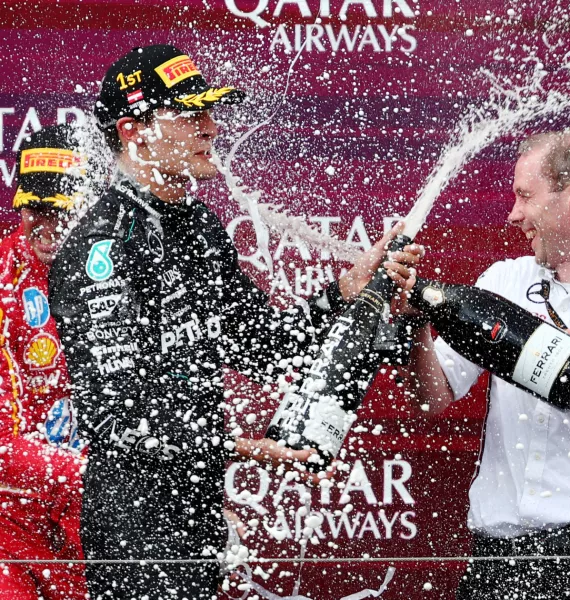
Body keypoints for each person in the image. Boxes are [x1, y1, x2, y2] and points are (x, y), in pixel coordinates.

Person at [48, 44, 414, 599]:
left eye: (210, 111)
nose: (210, 127)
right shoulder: (103, 242)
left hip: (198, 513)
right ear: (134, 130)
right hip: (134, 522)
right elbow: (120, 414)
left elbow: (263, 348)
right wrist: (245, 447)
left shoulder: (199, 225)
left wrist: (346, 291)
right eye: (190, 113)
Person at [402, 127, 570, 599]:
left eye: (525, 196)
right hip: (497, 557)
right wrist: (414, 325)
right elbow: (432, 400)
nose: (513, 215)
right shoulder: (503, 281)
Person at [0, 124, 87, 599]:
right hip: (11, 526)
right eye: (39, 208)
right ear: (21, 203)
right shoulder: (1, 279)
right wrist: (94, 477)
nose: (51, 224)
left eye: (66, 210)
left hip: (92, 527)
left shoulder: (121, 275)